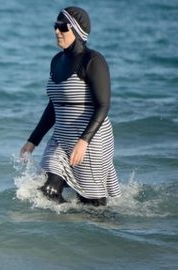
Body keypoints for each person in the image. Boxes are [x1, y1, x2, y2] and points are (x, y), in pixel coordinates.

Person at [20, 7, 121, 206]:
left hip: (91, 140)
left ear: (77, 30)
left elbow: (103, 105)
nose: (57, 31)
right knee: (47, 190)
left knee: (93, 207)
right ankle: (63, 229)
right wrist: (33, 140)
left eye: (63, 27)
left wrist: (84, 141)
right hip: (61, 138)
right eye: (55, 26)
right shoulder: (57, 61)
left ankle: (106, 231)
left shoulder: (93, 61)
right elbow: (53, 106)